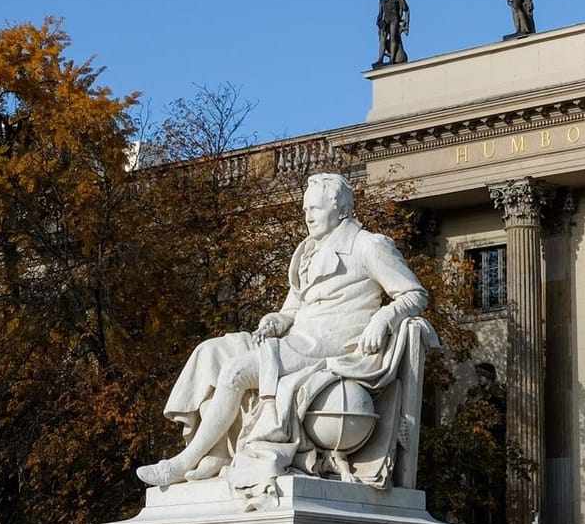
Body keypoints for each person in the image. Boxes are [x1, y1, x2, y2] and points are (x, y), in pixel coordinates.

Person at [136, 173, 428, 488]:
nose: (308, 216)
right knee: (211, 352)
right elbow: (291, 309)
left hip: (330, 344)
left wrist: (383, 318)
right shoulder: (307, 252)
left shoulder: (368, 246)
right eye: (305, 210)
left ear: (342, 210)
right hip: (297, 338)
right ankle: (217, 453)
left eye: (315, 208)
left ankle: (184, 461)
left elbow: (415, 294)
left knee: (237, 371)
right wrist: (274, 321)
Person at [374, 0, 409, 66]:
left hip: (394, 19)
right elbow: (380, 13)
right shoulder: (382, 0)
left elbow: (405, 9)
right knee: (382, 40)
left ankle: (392, 59)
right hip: (386, 20)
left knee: (393, 38)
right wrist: (378, 22)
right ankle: (380, 59)